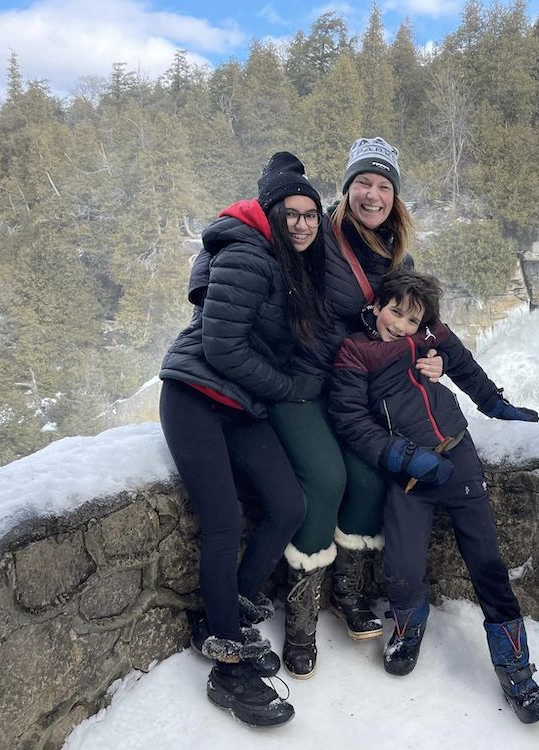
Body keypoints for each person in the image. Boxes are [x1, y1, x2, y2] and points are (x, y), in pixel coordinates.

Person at [327, 269, 539, 725]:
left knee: (487, 565)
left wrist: (495, 405)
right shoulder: (356, 351)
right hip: (409, 473)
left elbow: (465, 367)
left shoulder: (432, 336)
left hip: (459, 457)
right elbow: (349, 418)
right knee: (403, 568)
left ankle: (516, 672)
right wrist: (401, 455)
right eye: (395, 311)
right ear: (377, 305)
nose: (401, 325)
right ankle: (409, 633)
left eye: (412, 320)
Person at [158, 151, 331, 726]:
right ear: (271, 213)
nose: (304, 223)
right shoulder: (250, 256)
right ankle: (229, 669)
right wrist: (284, 386)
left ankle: (225, 615)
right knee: (226, 520)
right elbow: (221, 347)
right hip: (196, 397)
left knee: (287, 505)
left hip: (241, 403)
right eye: (293, 213)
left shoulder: (289, 264)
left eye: (312, 214)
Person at [267, 137, 443, 679]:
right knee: (326, 479)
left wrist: (431, 359)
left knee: (369, 476)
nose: (373, 193)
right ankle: (300, 615)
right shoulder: (317, 234)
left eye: (383, 185)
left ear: (395, 197)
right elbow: (257, 253)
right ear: (346, 190)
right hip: (302, 382)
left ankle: (345, 591)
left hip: (355, 389)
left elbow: (412, 321)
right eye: (363, 182)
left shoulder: (396, 256)